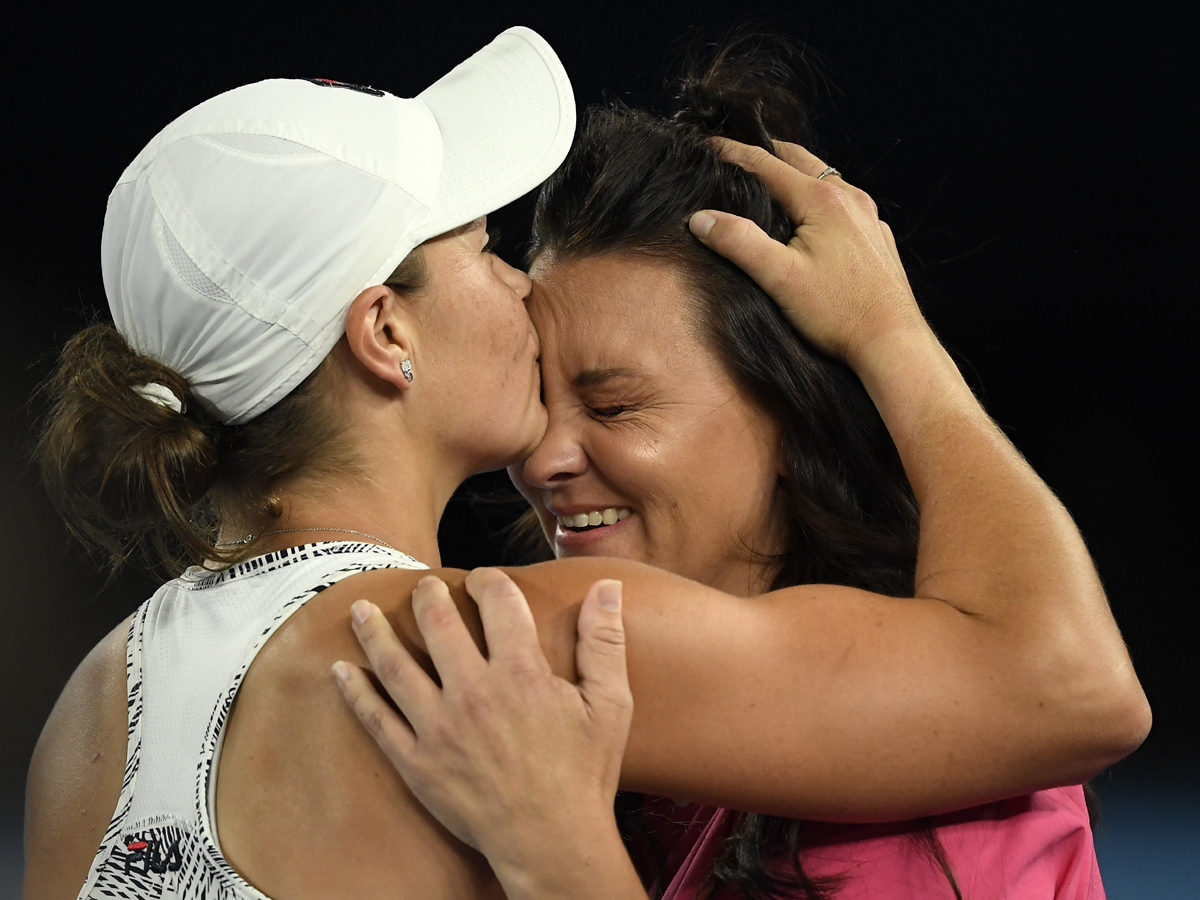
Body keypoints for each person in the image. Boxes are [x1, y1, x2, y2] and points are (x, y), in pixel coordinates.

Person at [25, 27, 1145, 900]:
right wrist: (891, 335)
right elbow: (1067, 684)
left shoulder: (87, 714)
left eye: (611, 401)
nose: (516, 283)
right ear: (385, 333)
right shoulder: (509, 647)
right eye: (478, 247)